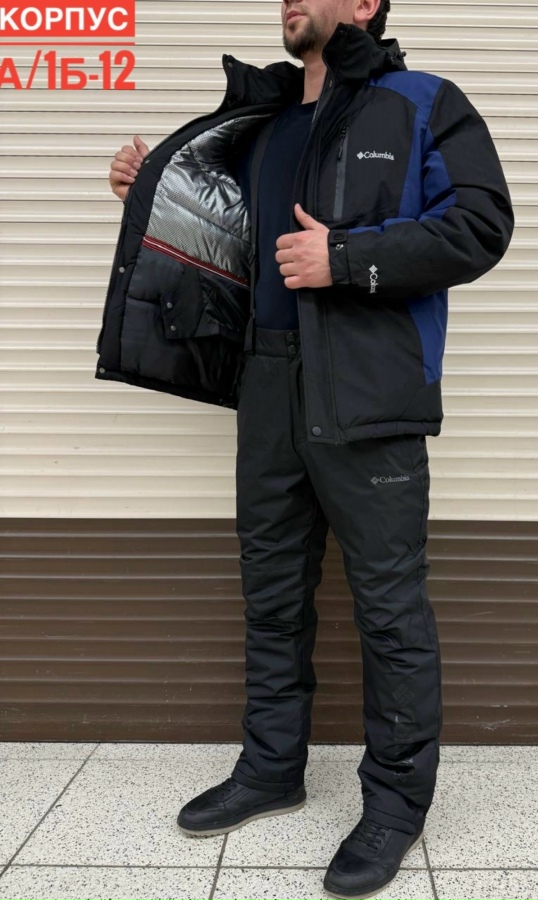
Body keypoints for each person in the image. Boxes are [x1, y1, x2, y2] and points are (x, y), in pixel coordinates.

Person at [107, 2, 514, 897]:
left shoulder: (421, 102)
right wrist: (154, 187)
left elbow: (482, 225)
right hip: (266, 383)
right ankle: (270, 768)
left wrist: (350, 258)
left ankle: (395, 807)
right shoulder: (261, 119)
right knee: (272, 593)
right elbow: (229, 237)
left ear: (365, 2)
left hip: (369, 394)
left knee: (390, 611)